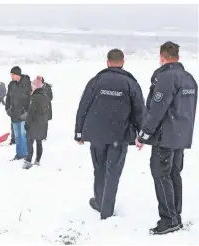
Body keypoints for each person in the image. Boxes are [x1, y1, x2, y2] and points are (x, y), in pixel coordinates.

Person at [74, 49, 145, 220]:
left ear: (107, 62)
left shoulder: (96, 81)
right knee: (113, 172)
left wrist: (79, 132)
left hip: (97, 135)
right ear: (123, 62)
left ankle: (99, 201)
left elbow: (83, 106)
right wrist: (141, 135)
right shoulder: (130, 83)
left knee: (99, 169)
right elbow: (140, 111)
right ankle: (106, 209)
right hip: (118, 136)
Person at [135, 41, 198, 235]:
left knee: (161, 174)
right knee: (173, 174)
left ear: (162, 57)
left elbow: (156, 110)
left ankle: (169, 219)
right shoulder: (189, 79)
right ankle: (175, 215)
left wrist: (144, 134)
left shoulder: (166, 77)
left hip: (166, 136)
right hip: (181, 135)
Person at [23, 76, 50, 169]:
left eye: (32, 85)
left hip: (33, 125)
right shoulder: (46, 97)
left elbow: (30, 113)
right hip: (42, 124)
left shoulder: (34, 98)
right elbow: (48, 113)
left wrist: (27, 124)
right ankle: (38, 160)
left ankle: (28, 161)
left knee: (29, 143)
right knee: (39, 143)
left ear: (35, 87)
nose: (31, 87)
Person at [5, 66, 32, 160]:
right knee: (17, 136)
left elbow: (31, 99)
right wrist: (7, 109)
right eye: (11, 74)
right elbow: (8, 98)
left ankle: (25, 154)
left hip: (23, 115)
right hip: (14, 115)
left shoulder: (27, 84)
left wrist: (27, 112)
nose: (11, 76)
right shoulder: (11, 85)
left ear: (17, 74)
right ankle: (19, 154)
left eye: (12, 74)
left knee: (23, 135)